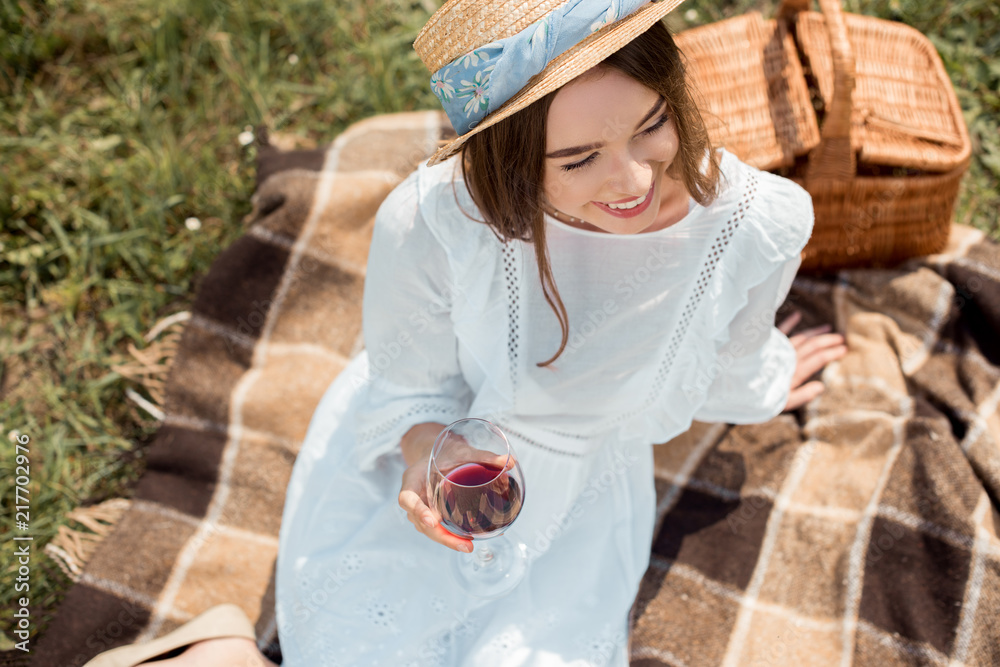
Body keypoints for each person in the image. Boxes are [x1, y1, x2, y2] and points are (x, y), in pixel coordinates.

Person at [86, 0, 848, 665]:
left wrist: (764, 381)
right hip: (446, 463)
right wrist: (423, 456)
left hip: (586, 502)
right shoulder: (438, 219)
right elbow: (410, 382)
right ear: (509, 161)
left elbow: (729, 354)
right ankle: (217, 649)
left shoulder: (759, 223)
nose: (633, 181)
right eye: (578, 159)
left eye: (652, 125)